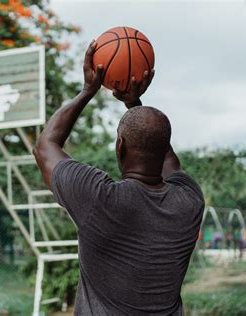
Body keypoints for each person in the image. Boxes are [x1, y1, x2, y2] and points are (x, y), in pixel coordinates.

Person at [33, 40, 205, 315]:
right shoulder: (189, 199)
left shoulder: (99, 199)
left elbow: (44, 147)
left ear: (120, 146)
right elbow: (169, 161)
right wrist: (134, 105)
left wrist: (87, 90)